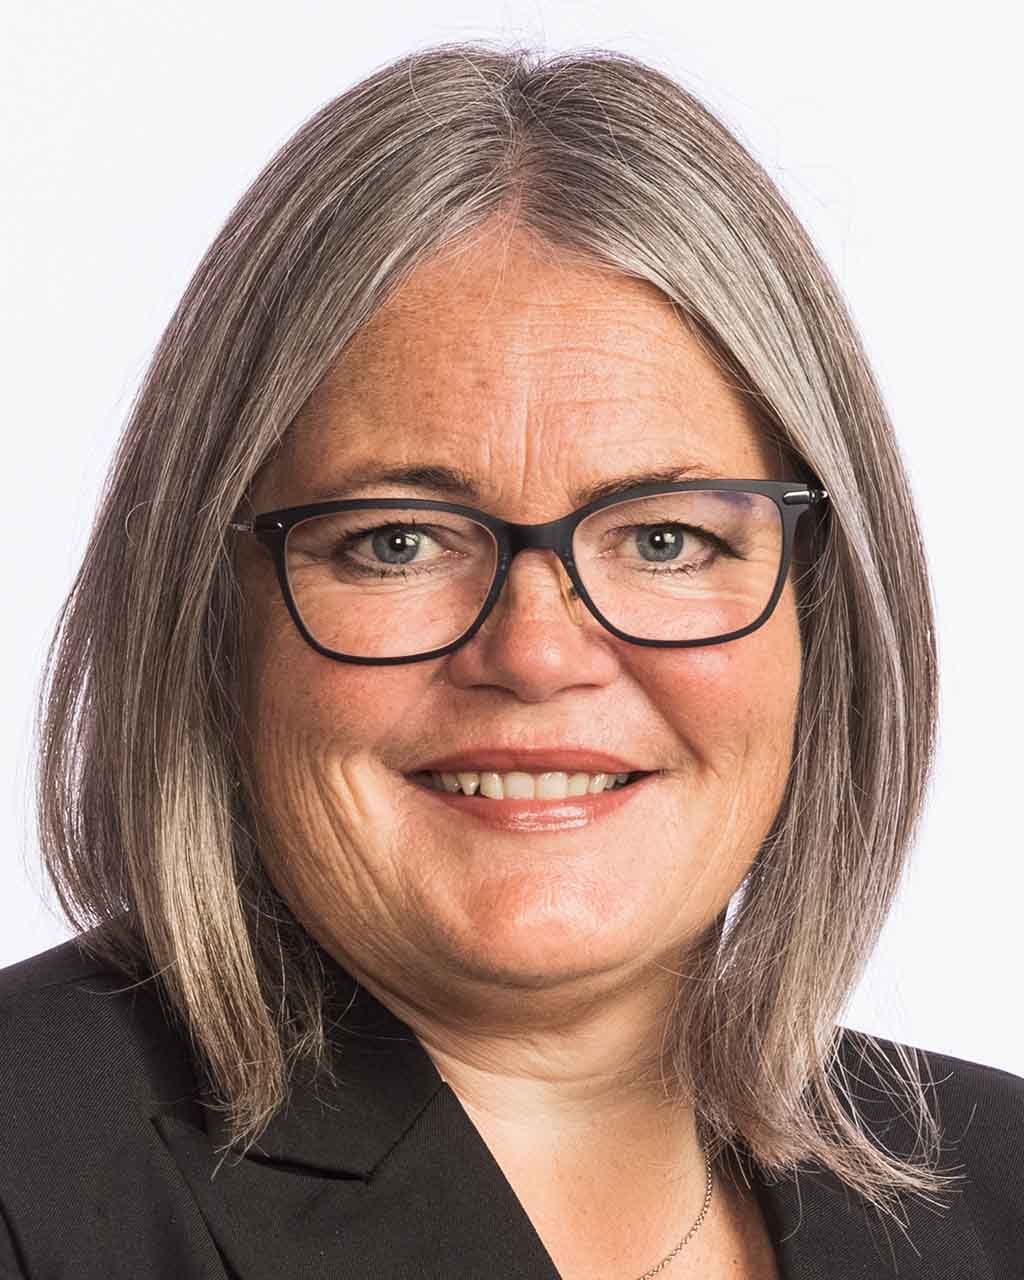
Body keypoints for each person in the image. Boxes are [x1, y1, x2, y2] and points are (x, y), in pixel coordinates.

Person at [1, 40, 1020, 1280]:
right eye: (397, 539)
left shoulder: (1001, 1188)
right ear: (211, 616)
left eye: (664, 538)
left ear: (823, 609)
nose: (536, 652)